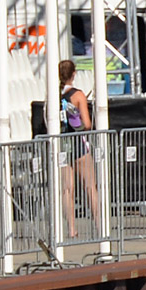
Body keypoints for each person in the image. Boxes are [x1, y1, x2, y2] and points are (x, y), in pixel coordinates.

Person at [55, 59, 101, 239]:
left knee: (67, 188)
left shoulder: (54, 95)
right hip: (77, 141)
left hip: (62, 142)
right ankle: (99, 223)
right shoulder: (78, 95)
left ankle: (71, 228)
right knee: (90, 186)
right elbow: (87, 123)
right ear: (73, 74)